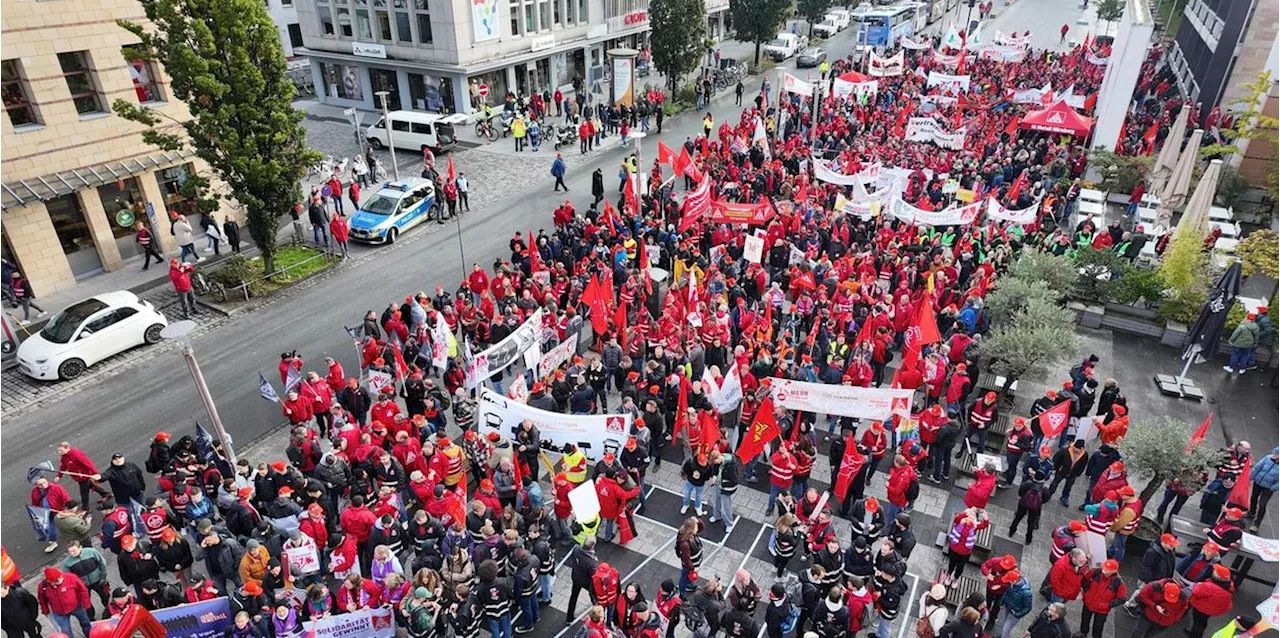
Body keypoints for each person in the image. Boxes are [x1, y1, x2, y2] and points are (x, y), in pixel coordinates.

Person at [38, 567, 92, 637]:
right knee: (66, 631)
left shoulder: (71, 577)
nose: (60, 580)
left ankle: (90, 635)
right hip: (59, 612)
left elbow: (83, 590)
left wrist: (86, 604)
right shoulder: (42, 586)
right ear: (49, 581)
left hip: (77, 607)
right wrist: (45, 611)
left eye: (60, 577)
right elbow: (42, 599)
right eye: (56, 581)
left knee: (85, 623)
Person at [998, 570, 1033, 638]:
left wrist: (1017, 614)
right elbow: (1006, 592)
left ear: (1014, 581)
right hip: (1007, 607)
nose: (1008, 582)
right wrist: (1001, 602)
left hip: (1014, 613)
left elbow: (1028, 608)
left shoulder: (1026, 593)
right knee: (1005, 624)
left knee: (1005, 630)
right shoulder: (1012, 584)